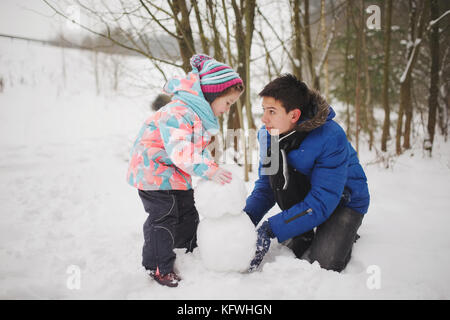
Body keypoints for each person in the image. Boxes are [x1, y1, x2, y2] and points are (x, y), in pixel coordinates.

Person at [127, 54, 244, 287]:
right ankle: (158, 266)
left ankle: (188, 250)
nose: (227, 109)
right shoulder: (179, 112)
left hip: (173, 175)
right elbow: (180, 150)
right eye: (228, 102)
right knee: (164, 216)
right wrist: (207, 170)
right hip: (154, 172)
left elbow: (194, 151)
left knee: (188, 212)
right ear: (212, 94)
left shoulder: (196, 115)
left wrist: (210, 166)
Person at [245, 74, 370, 273]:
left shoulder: (330, 137)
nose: (264, 119)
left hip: (344, 201)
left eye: (271, 111)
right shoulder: (268, 135)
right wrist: (244, 221)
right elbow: (267, 187)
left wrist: (271, 228)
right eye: (263, 110)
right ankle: (303, 230)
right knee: (278, 180)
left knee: (323, 263)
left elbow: (323, 201)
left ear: (293, 115)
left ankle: (343, 229)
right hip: (309, 194)